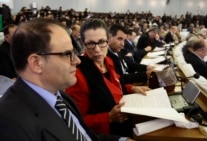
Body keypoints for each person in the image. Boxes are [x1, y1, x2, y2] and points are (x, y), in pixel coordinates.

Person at [0, 18, 132, 141]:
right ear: (36, 63)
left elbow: (85, 135)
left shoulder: (61, 98)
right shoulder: (11, 123)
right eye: (67, 54)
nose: (77, 60)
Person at [65, 18, 149, 138]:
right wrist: (108, 117)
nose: (97, 50)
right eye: (91, 44)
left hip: (128, 122)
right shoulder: (78, 75)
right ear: (83, 44)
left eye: (101, 42)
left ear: (108, 41)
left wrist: (131, 88)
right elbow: (77, 121)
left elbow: (115, 83)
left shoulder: (110, 60)